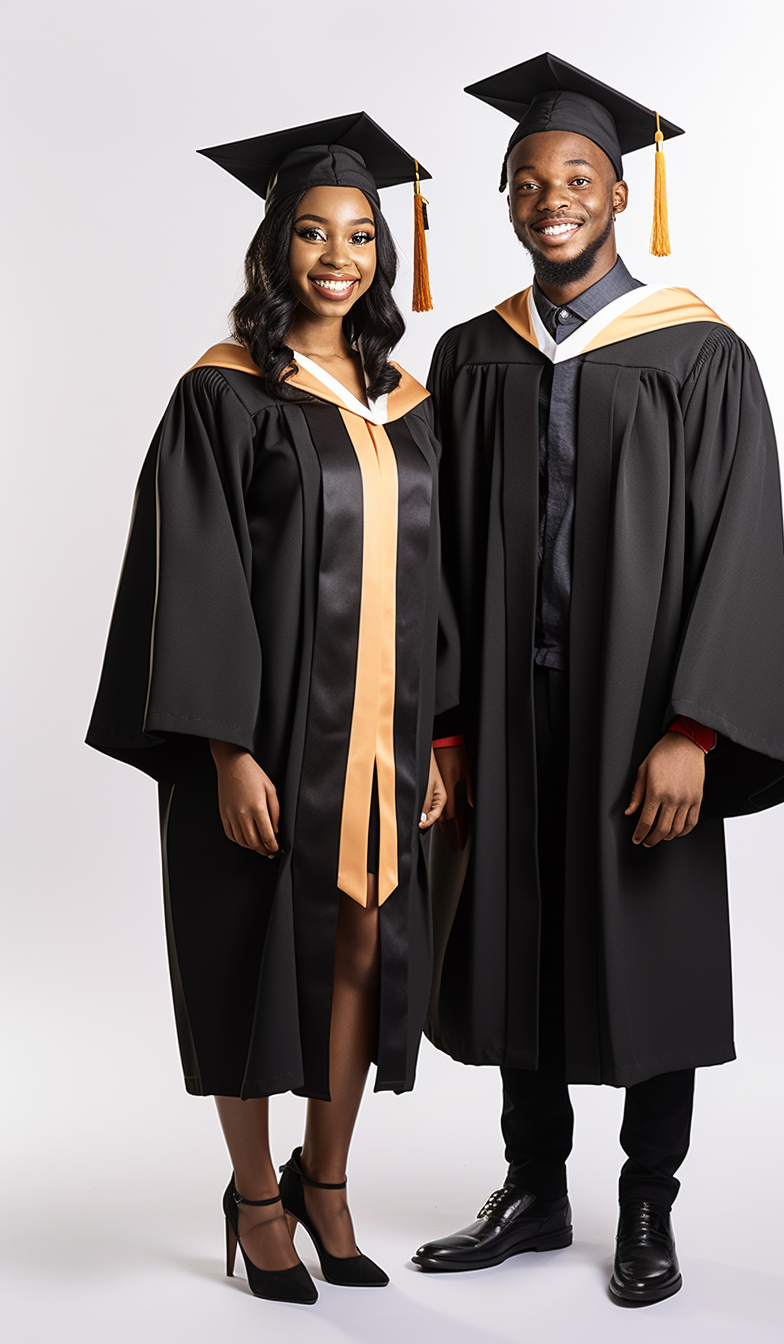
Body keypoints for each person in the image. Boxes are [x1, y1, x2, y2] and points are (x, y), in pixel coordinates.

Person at [414, 53, 784, 1304]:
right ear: (507, 200)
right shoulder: (470, 358)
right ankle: (534, 1190)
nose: (553, 198)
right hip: (505, 714)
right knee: (511, 938)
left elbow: (738, 546)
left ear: (618, 194)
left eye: (577, 175)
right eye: (529, 181)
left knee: (646, 945)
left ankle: (647, 1203)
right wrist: (445, 724)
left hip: (641, 716)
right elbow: (430, 555)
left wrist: (695, 728)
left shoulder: (698, 354)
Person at [87, 112, 458, 1305]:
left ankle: (329, 1181)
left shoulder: (406, 399)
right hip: (259, 749)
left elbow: (435, 574)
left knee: (363, 947)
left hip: (382, 746)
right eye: (311, 231)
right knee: (250, 961)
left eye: (359, 235)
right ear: (273, 247)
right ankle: (256, 1196)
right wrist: (227, 750)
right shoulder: (224, 392)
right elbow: (188, 575)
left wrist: (438, 729)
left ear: (381, 260)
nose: (336, 255)